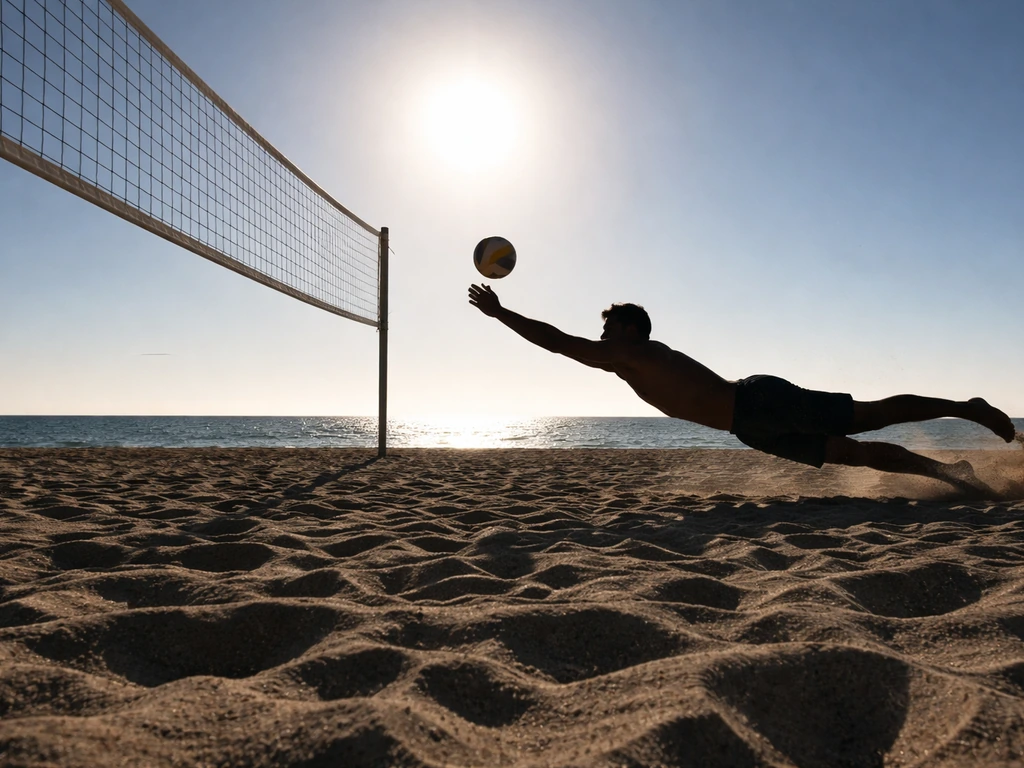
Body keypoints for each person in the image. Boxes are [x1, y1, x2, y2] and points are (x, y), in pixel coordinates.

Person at [468, 284, 1017, 495]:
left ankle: (964, 408)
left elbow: (560, 342)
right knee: (852, 453)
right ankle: (948, 473)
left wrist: (500, 314)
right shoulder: (627, 360)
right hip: (746, 426)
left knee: (867, 418)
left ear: (631, 330)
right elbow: (569, 343)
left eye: (610, 328)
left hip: (757, 401)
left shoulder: (630, 352)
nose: (602, 337)